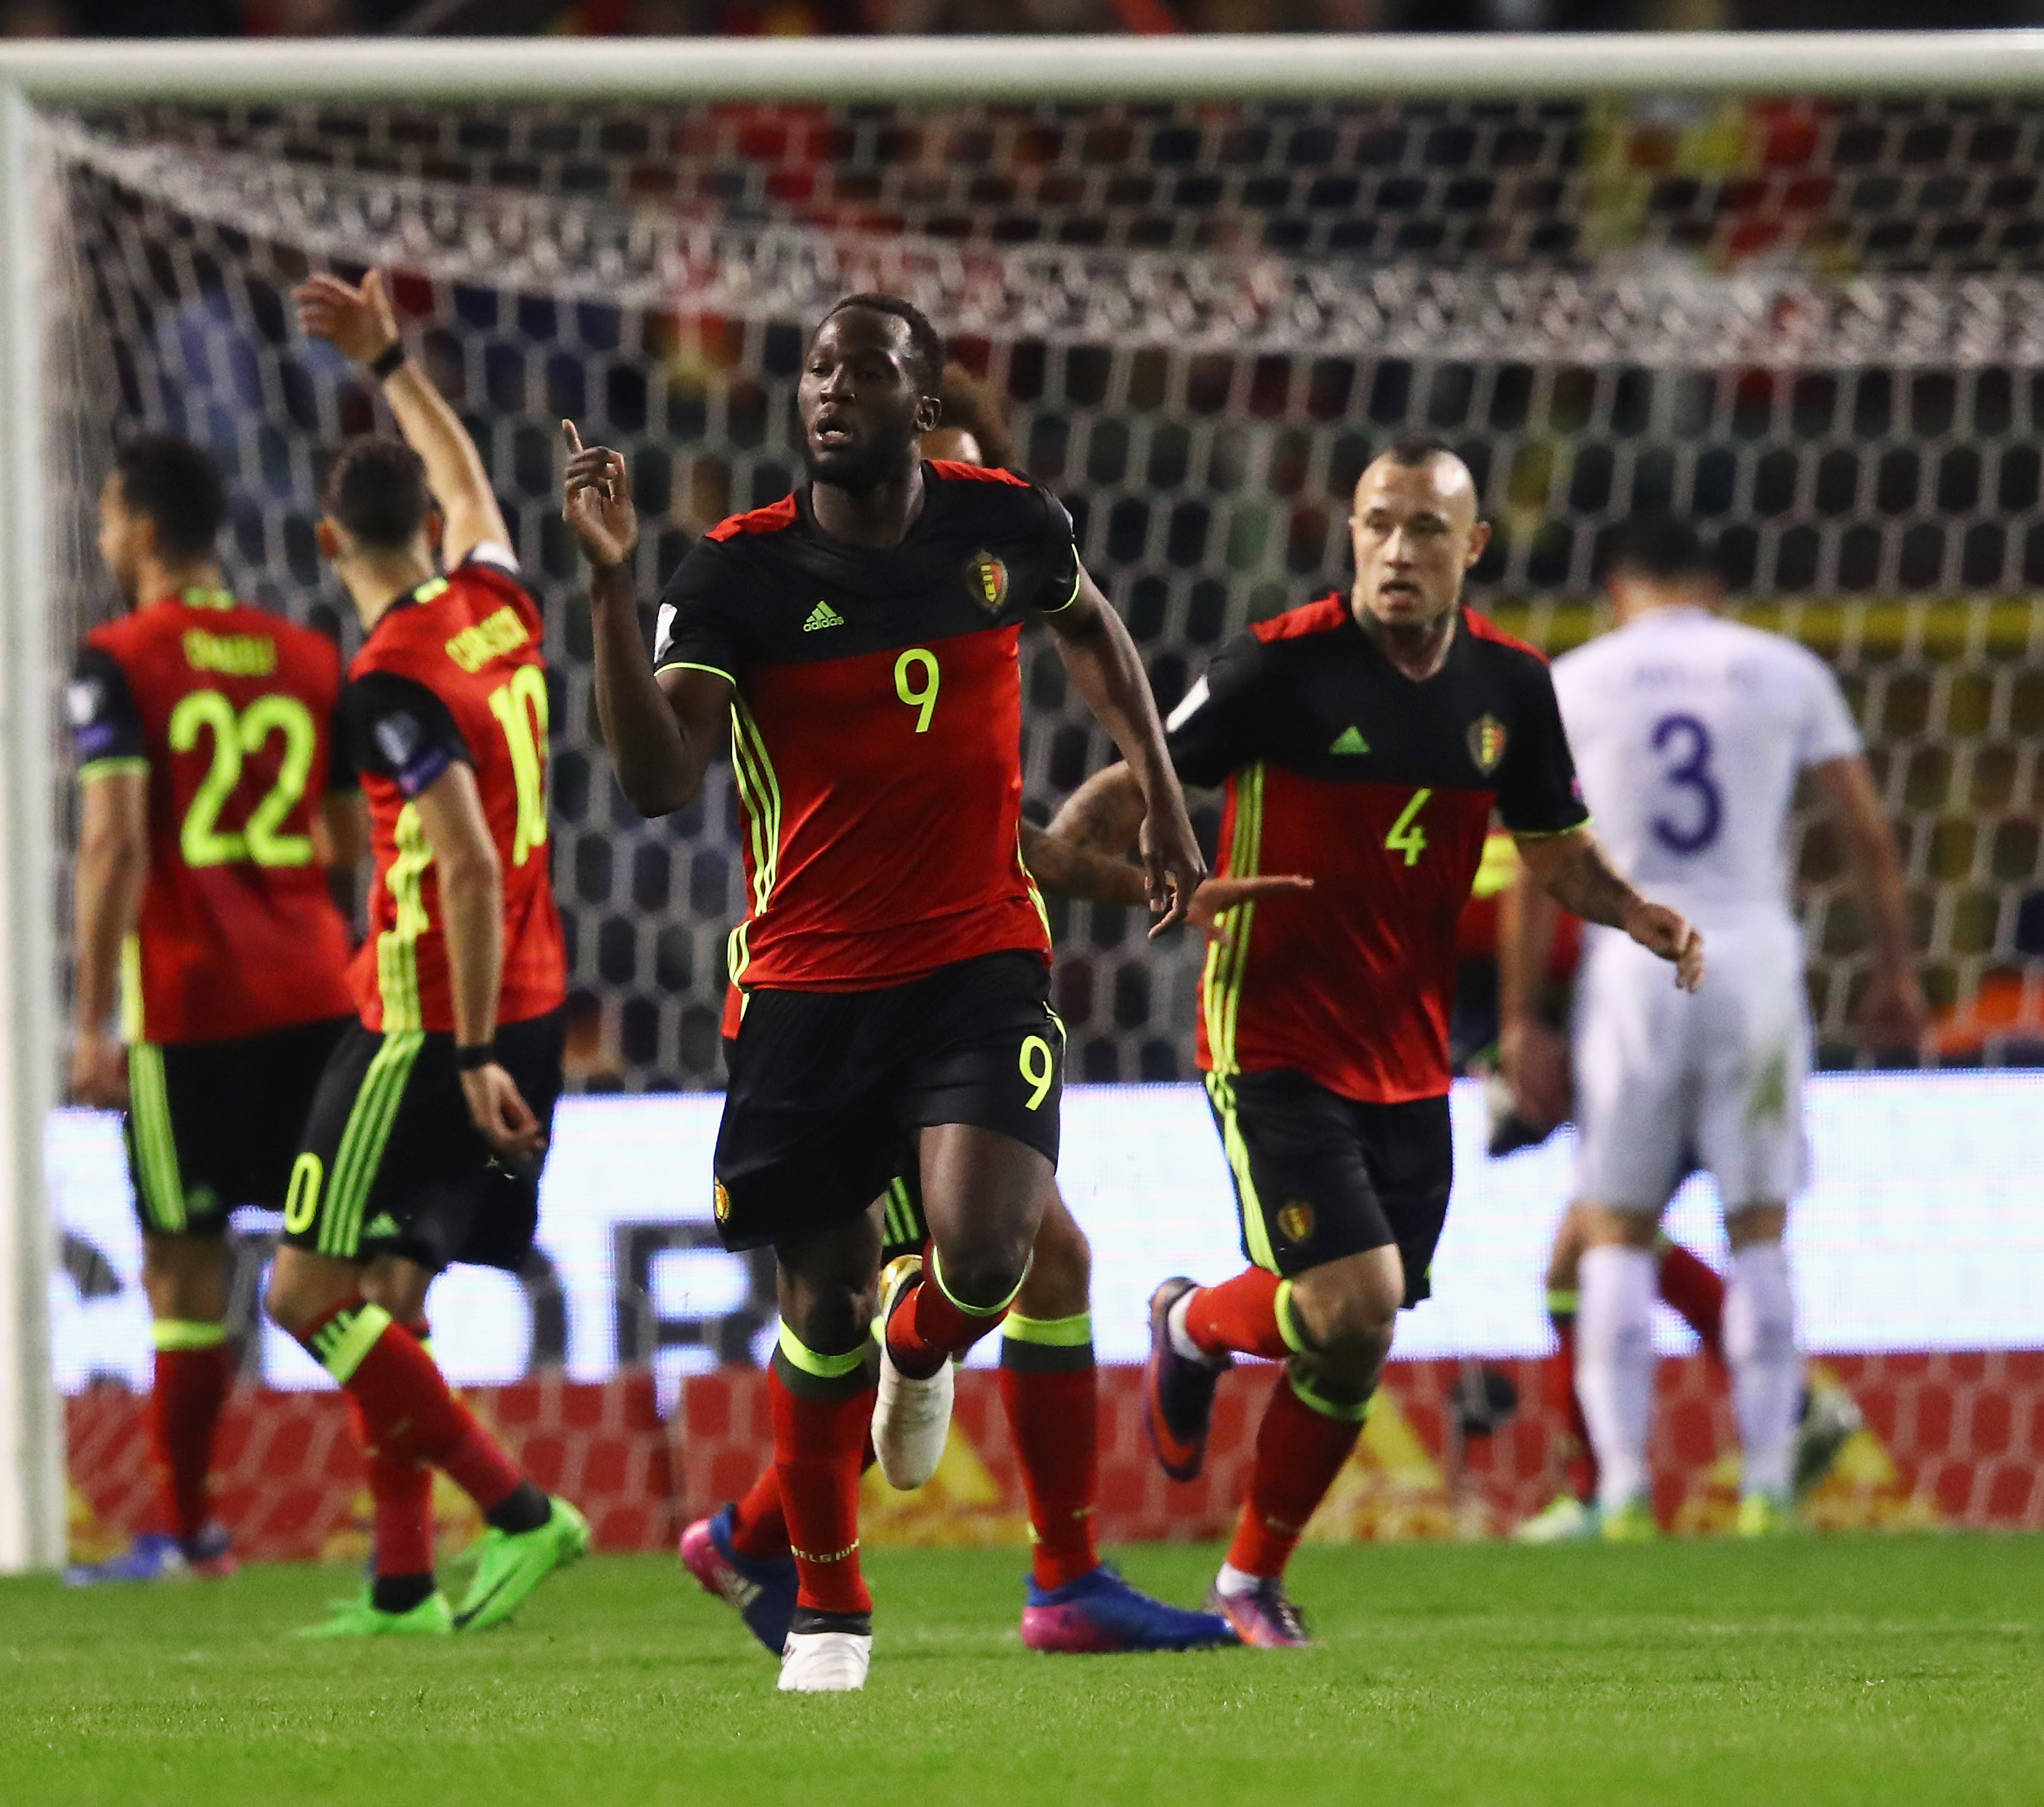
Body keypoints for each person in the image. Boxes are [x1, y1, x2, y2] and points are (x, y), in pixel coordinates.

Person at [568, 294, 1208, 1691]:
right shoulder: (732, 575)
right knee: (825, 1298)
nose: (827, 390)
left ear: (919, 406)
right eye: (812, 369)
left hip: (976, 961)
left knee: (988, 1256)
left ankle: (929, 1366)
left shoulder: (1002, 527)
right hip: (803, 987)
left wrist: (1159, 798)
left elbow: (1096, 635)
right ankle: (827, 1607)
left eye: (861, 371)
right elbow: (660, 778)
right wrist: (612, 588)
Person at [1052, 439, 1701, 1648]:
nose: (1398, 551)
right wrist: (1058, 872)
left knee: (1357, 1341)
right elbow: (1134, 781)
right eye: (1379, 525)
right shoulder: (1279, 666)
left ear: (1474, 550)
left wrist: (1637, 913)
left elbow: (1555, 852)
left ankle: (1246, 1575)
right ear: (1352, 530)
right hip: (1274, 1034)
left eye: (1426, 531)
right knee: (1359, 1295)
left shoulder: (1511, 689)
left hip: (1409, 1055)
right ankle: (1190, 1330)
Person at [262, 267, 586, 1639]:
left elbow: (451, 852)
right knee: (392, 1287)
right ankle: (402, 1583)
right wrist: (390, 359)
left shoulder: (391, 676)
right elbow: (469, 482)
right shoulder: (496, 601)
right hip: (535, 988)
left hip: (425, 1009)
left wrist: (451, 1051)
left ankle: (516, 1507)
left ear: (328, 533)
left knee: (300, 1290)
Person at [1496, 514, 1920, 1540]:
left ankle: (1626, 1492)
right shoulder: (1781, 667)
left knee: (1613, 1226)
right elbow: (1862, 826)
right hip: (1754, 960)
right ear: (1715, 585)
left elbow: (1536, 855)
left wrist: (1521, 1017)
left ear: (1615, 585)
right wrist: (1896, 972)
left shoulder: (1575, 677)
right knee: (1760, 1225)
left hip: (1631, 963)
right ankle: (1771, 1487)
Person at [59, 433, 355, 1584]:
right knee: (344, 1270)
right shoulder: (306, 657)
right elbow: (345, 843)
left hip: (189, 1011)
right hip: (315, 995)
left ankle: (187, 1536)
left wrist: (92, 1022)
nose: (98, 537)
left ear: (137, 526)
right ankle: (420, 1519)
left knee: (183, 1278)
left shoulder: (119, 660)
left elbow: (113, 840)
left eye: (104, 517)